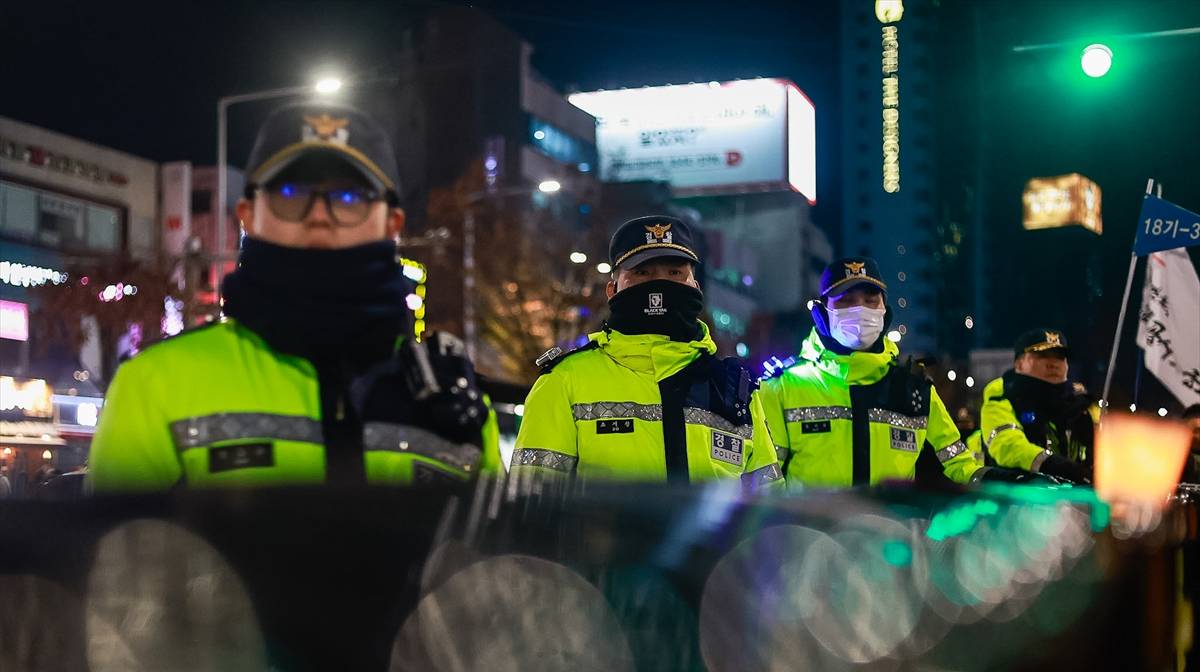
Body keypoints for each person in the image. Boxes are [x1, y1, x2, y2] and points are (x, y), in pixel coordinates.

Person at [90, 102, 499, 490]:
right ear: (247, 214)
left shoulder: (456, 403)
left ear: (392, 223)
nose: (318, 216)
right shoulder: (155, 385)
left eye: (349, 197)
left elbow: (493, 560)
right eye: (290, 194)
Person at [510, 215, 782, 491]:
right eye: (642, 273)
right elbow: (531, 507)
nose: (659, 285)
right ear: (612, 290)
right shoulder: (563, 382)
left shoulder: (735, 390)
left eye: (675, 273)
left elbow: (769, 510)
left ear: (696, 288)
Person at [759, 257, 986, 488]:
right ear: (821, 313)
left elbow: (958, 462)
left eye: (870, 301)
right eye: (846, 301)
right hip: (811, 525)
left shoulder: (916, 389)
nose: (860, 310)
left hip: (893, 525)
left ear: (884, 312)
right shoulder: (782, 387)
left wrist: (991, 478)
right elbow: (765, 479)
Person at [980, 328, 1097, 484]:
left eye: (1060, 357)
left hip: (1075, 502)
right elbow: (1007, 445)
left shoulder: (1081, 403)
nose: (1053, 363)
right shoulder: (1002, 395)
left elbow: (1114, 446)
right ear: (1019, 364)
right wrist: (1053, 464)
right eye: (1042, 355)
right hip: (1016, 499)